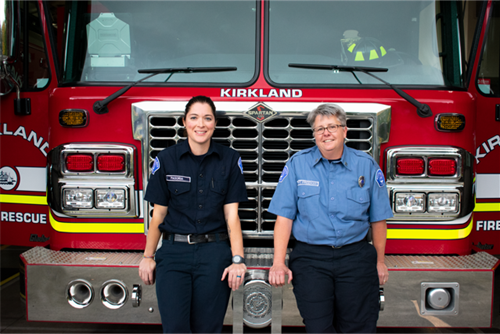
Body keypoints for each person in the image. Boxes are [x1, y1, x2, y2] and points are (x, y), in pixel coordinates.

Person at [268, 103, 393, 334]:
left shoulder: (365, 165)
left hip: (355, 257)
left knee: (359, 327)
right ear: (314, 134)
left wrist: (380, 261)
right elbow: (284, 217)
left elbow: (378, 219)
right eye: (320, 129)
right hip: (311, 260)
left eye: (332, 127)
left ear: (344, 131)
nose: (326, 133)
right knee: (318, 328)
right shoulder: (298, 164)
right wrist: (278, 263)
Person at [138, 96, 248, 334]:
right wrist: (148, 256)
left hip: (214, 255)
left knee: (208, 328)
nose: (201, 124)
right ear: (184, 122)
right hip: (173, 255)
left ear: (214, 124)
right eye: (194, 118)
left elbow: (232, 217)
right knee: (175, 328)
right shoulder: (166, 159)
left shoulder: (230, 160)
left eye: (207, 118)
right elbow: (158, 216)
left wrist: (237, 260)